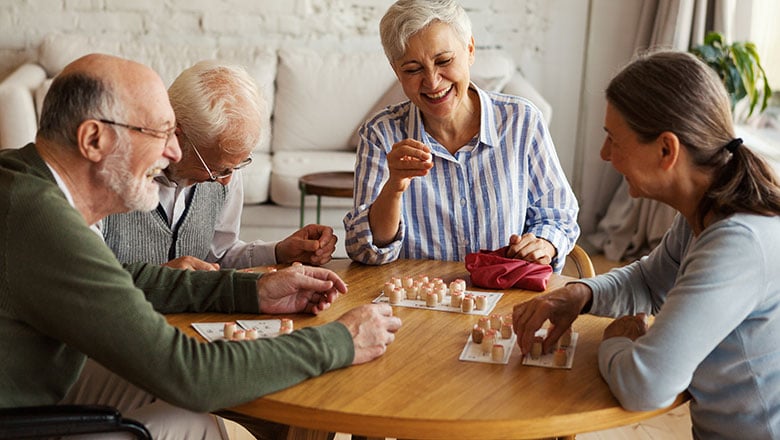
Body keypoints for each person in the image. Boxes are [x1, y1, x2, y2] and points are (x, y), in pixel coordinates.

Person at [0, 53, 402, 439]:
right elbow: (190, 374)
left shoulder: (24, 183)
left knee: (184, 404)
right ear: (93, 139)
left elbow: (121, 278)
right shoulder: (40, 219)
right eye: (158, 133)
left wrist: (249, 290)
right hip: (21, 420)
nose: (171, 152)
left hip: (36, 382)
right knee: (194, 421)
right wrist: (339, 340)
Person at [512, 51, 780, 439]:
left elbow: (646, 386)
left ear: (666, 150)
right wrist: (578, 294)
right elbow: (650, 282)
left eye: (613, 139)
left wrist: (616, 340)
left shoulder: (736, 243)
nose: (605, 154)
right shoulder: (706, 211)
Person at [343, 0, 579, 271]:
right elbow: (364, 250)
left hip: (505, 298)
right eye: (412, 69)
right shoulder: (380, 134)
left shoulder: (522, 121)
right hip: (417, 305)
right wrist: (394, 186)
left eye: (443, 61)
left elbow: (558, 216)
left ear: (469, 50)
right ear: (397, 71)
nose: (432, 82)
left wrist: (543, 244)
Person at [101, 60, 337, 271]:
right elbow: (83, 280)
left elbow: (220, 254)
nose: (226, 180)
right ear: (176, 134)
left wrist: (279, 252)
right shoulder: (108, 174)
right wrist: (163, 277)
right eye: (216, 170)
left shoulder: (226, 166)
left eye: (235, 166)